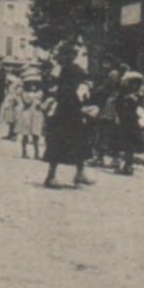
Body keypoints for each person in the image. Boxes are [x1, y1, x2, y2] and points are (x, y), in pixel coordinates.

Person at [41, 44, 94, 188]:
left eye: (72, 55)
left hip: (73, 110)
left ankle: (80, 173)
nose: (70, 57)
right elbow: (52, 87)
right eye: (67, 55)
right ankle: (51, 176)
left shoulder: (73, 69)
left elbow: (85, 80)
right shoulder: (59, 70)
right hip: (62, 111)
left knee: (79, 141)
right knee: (58, 142)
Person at [114, 71, 144, 175]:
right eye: (132, 83)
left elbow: (140, 107)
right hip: (124, 122)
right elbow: (118, 107)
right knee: (123, 144)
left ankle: (128, 165)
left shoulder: (137, 96)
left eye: (136, 84)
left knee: (130, 145)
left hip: (132, 122)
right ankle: (120, 163)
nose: (134, 86)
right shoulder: (122, 96)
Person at [18, 78, 45, 160]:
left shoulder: (40, 93)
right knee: (25, 134)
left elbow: (41, 103)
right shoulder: (25, 93)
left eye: (35, 84)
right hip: (27, 113)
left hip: (36, 114)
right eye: (31, 84)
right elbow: (27, 102)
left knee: (36, 134)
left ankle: (36, 153)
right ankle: (24, 152)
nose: (33, 86)